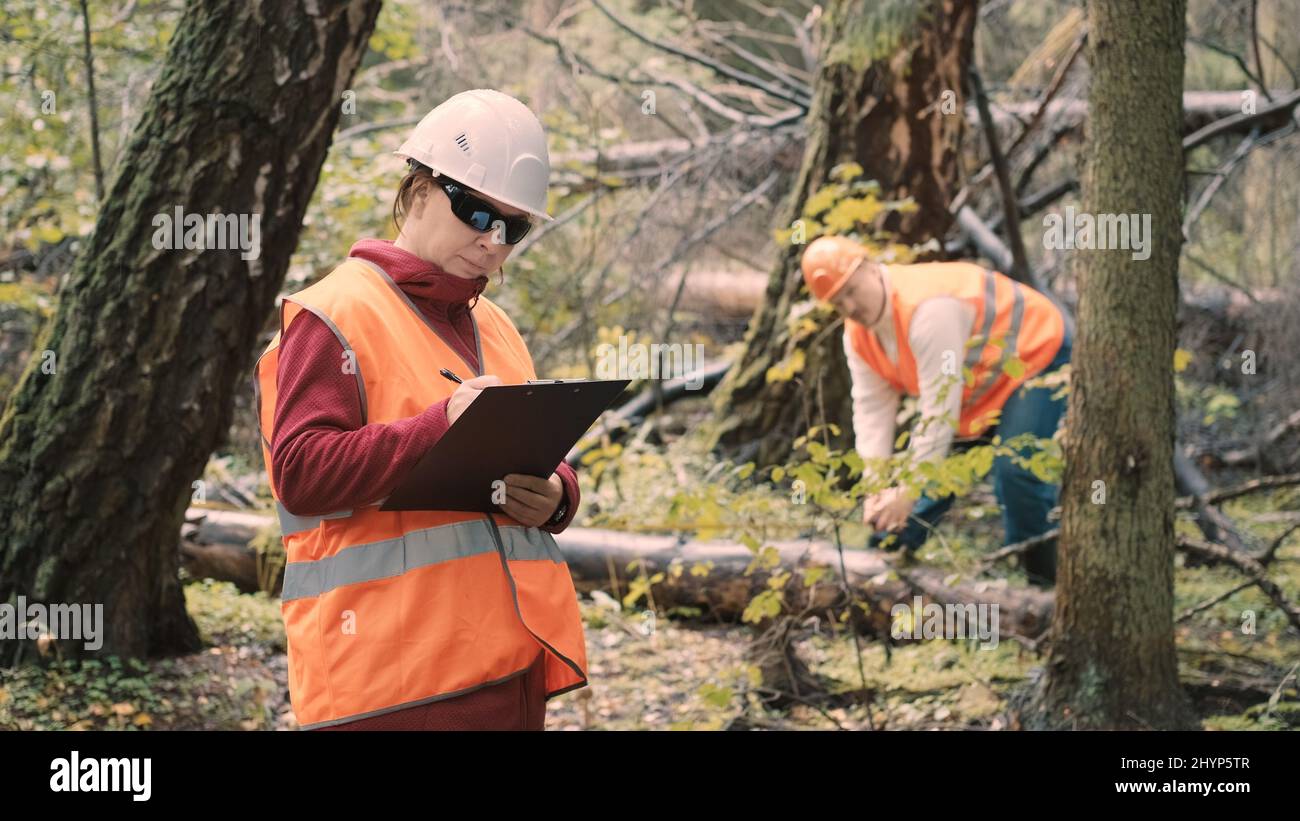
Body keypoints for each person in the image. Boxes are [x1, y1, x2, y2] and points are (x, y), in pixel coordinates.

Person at [252, 89, 588, 730]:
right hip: (390, 685)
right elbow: (300, 473)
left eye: (513, 227)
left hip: (508, 671)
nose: (493, 242)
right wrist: (440, 427)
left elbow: (546, 458)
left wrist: (557, 495)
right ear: (423, 188)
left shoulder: (497, 326)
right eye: (477, 212)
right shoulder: (335, 314)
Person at [800, 235, 1072, 586]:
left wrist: (907, 490)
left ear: (869, 267)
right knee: (925, 484)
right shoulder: (858, 336)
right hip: (975, 385)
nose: (850, 307)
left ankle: (1043, 587)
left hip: (1034, 353)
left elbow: (939, 414)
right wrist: (877, 488)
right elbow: (871, 410)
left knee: (1017, 469)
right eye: (838, 303)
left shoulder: (929, 309)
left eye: (852, 290)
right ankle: (882, 562)